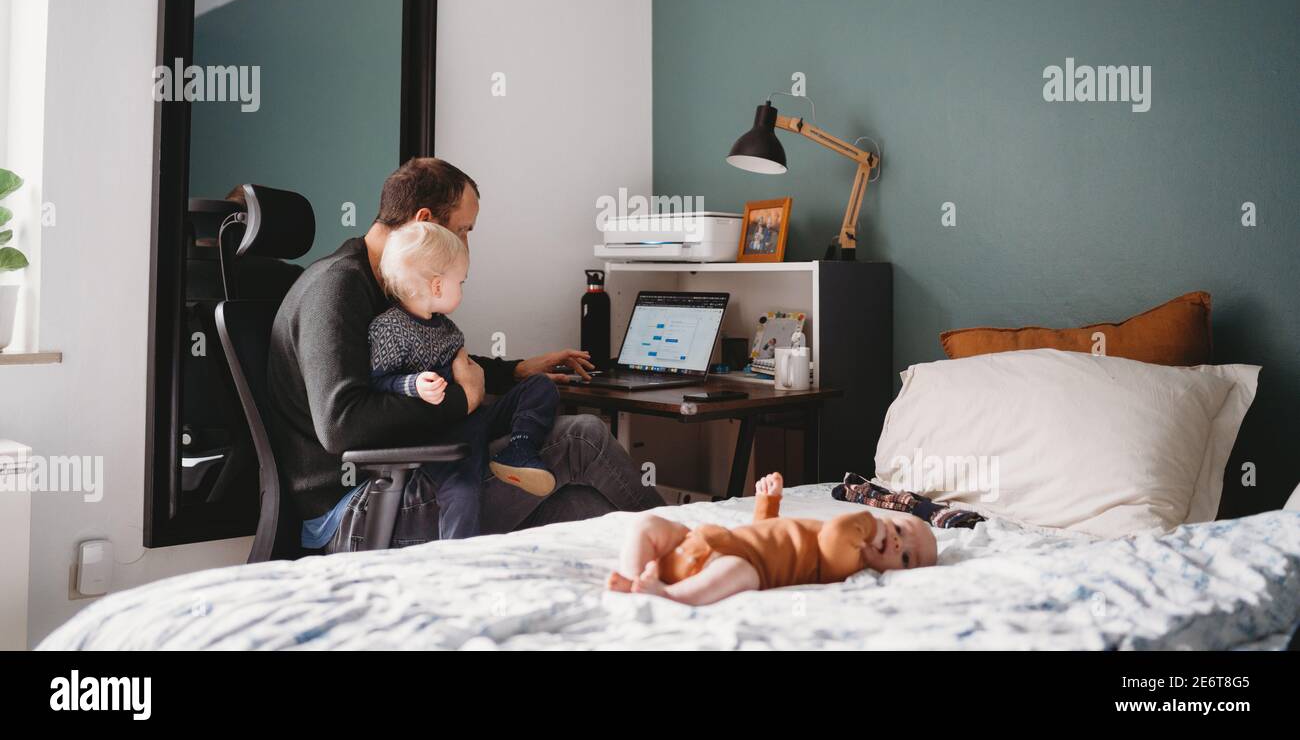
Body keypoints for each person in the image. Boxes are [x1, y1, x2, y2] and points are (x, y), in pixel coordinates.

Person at [268, 157, 664, 552]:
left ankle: (664, 574)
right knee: (583, 437)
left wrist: (516, 371)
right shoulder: (337, 289)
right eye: (463, 230)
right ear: (426, 220)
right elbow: (342, 425)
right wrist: (465, 400)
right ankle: (687, 544)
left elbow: (434, 365)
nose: (467, 245)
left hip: (402, 480)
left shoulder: (389, 284)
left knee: (586, 506)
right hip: (356, 510)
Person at [370, 220, 561, 520]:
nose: (461, 288)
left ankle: (520, 449)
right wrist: (414, 384)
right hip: (442, 436)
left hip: (475, 418)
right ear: (436, 285)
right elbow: (378, 381)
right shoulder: (390, 329)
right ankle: (457, 561)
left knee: (540, 386)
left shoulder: (447, 329)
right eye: (460, 282)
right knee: (462, 492)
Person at [605, 471, 937, 605]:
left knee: (743, 574)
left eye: (906, 557)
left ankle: (669, 594)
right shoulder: (848, 541)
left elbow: (839, 530)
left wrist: (874, 525)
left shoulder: (846, 561)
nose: (897, 544)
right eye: (899, 531)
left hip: (728, 564)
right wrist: (769, 504)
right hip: (710, 541)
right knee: (645, 524)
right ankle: (634, 578)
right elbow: (763, 534)